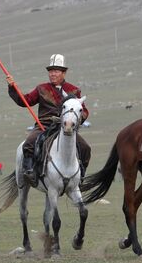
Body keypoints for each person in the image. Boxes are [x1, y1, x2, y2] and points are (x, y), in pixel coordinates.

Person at [6, 54, 91, 187]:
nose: (52, 74)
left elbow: (84, 111)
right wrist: (12, 87)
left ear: (64, 73)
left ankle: (81, 176)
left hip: (66, 128)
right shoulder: (41, 89)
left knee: (86, 148)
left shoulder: (74, 90)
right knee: (28, 144)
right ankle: (29, 172)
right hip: (44, 126)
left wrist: (77, 120)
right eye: (50, 71)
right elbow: (25, 101)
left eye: (56, 71)